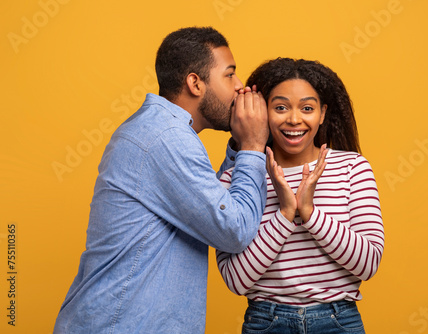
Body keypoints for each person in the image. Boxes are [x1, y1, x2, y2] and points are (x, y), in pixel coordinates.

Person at [54, 27, 269, 333]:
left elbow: (213, 205)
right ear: (195, 83)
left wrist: (238, 147)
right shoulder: (166, 138)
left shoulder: (162, 131)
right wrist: (252, 147)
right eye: (230, 75)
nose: (240, 87)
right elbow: (233, 229)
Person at [216, 58, 385, 334]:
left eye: (307, 108)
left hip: (338, 321)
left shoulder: (353, 167)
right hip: (265, 322)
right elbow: (237, 281)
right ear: (262, 112)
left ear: (322, 113)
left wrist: (309, 213)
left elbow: (367, 264)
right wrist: (285, 214)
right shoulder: (236, 179)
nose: (294, 119)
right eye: (280, 107)